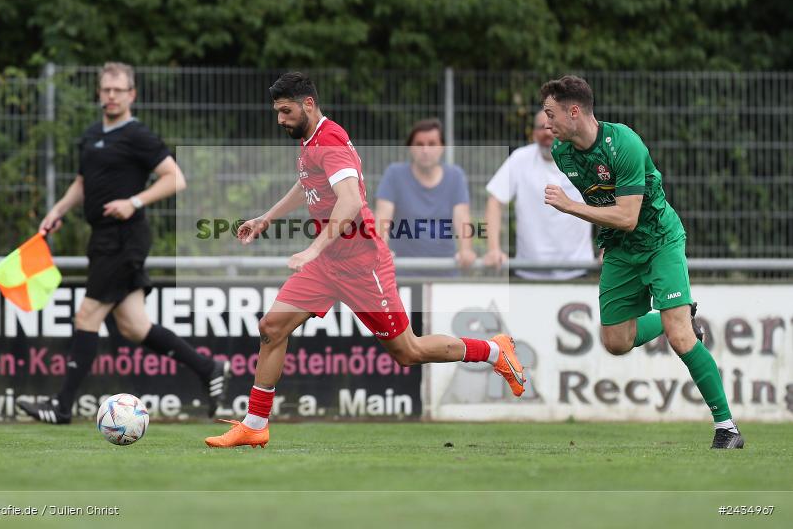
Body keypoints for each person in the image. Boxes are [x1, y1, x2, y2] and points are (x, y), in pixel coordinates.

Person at [205, 72, 526, 448]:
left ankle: (493, 350)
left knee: (409, 351)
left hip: (362, 264)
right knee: (273, 328)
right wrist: (266, 219)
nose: (280, 119)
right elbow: (307, 183)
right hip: (328, 265)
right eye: (277, 112)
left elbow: (352, 201)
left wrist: (313, 248)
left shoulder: (330, 143)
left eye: (286, 111)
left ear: (308, 104)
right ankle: (255, 424)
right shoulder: (311, 143)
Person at [18, 62, 230, 424]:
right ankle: (209, 368)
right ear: (99, 93)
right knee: (134, 326)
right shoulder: (90, 135)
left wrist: (134, 202)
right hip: (102, 238)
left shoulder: (138, 135)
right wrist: (58, 210)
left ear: (132, 94)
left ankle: (62, 406)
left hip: (124, 238)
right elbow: (83, 183)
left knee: (86, 315)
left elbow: (174, 179)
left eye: (119, 90)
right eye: (106, 89)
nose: (111, 96)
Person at [540, 75, 742, 449]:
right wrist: (605, 236)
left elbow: (630, 216)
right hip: (620, 248)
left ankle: (727, 428)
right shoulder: (562, 153)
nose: (545, 123)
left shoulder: (625, 144)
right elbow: (605, 205)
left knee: (681, 337)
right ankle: (674, 318)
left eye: (550, 114)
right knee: (616, 342)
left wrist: (570, 207)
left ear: (573, 111)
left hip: (659, 241)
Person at [484, 109, 596, 280]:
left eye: (552, 127)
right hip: (528, 272)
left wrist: (608, 249)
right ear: (533, 133)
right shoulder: (520, 159)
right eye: (541, 127)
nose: (547, 133)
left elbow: (606, 200)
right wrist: (494, 249)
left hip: (577, 271)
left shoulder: (584, 159)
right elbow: (494, 202)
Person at [374, 118, 476, 276]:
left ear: (442, 147)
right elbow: (382, 219)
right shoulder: (394, 174)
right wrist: (381, 250)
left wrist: (466, 250)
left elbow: (462, 218)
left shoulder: (455, 176)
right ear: (410, 147)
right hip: (403, 273)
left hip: (446, 272)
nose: (425, 150)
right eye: (419, 144)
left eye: (432, 144)